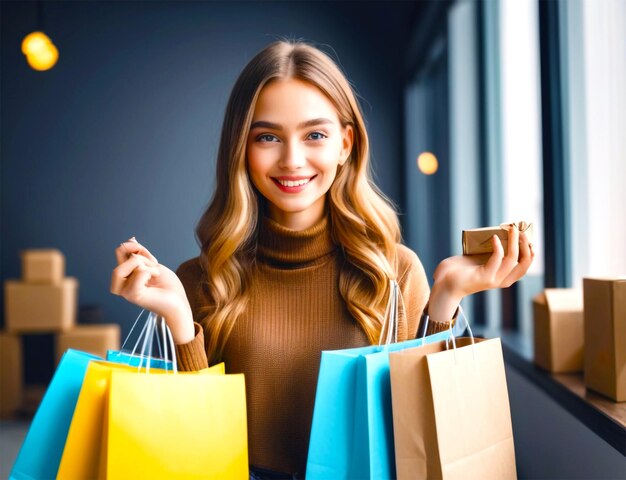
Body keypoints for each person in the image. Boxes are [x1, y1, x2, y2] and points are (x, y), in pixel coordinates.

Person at [110, 40, 533, 478]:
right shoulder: (199, 280)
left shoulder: (395, 274)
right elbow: (186, 451)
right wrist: (181, 324)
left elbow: (423, 437)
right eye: (268, 137)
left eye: (315, 135)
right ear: (242, 146)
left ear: (345, 144)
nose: (292, 160)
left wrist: (446, 297)